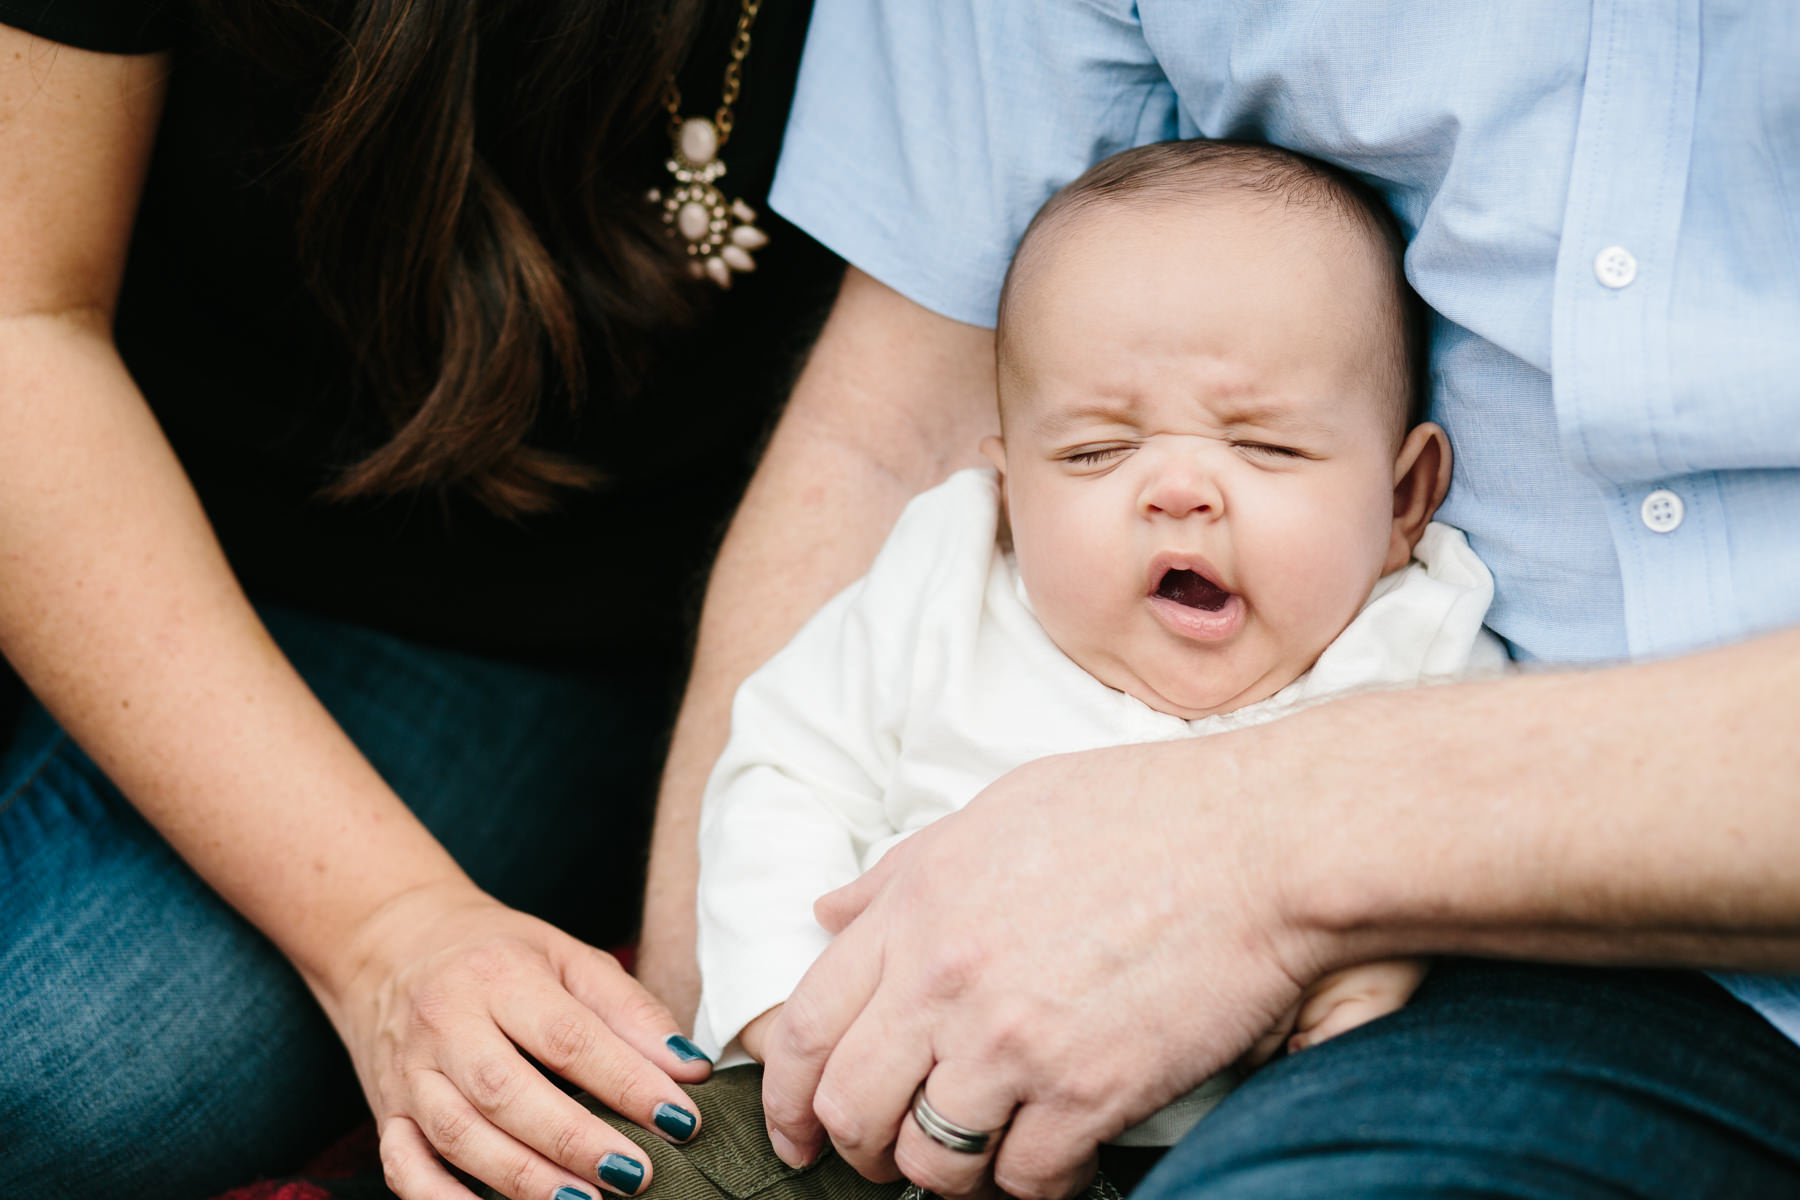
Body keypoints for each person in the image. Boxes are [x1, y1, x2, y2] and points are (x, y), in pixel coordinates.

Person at [633, 4, 1800, 1198]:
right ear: (1005, 480)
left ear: (1408, 499)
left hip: (1260, 1096)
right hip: (876, 1083)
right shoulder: (945, 579)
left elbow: (1472, 830)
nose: (1178, 489)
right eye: (1092, 454)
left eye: (1269, 451)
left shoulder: (1417, 631)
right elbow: (781, 769)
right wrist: (775, 1009)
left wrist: (1377, 951)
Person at [0, 2, 842, 1197]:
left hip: (523, 625)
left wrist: (395, 928)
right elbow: (15, 320)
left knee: (51, 1069)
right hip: (115, 476)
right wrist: (385, 934)